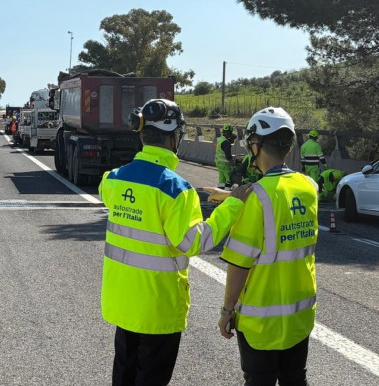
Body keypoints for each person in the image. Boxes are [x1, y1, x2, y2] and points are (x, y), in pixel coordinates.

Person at [100, 99, 248, 386]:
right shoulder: (176, 190)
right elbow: (192, 243)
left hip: (122, 302)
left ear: (142, 134)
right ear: (173, 137)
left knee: (124, 375)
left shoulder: (114, 180)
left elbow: (108, 189)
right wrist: (231, 208)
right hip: (158, 307)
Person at [218, 107, 318, 386]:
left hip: (261, 321)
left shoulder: (257, 197)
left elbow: (239, 264)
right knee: (295, 379)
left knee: (259, 380)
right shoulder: (308, 187)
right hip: (299, 315)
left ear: (255, 145)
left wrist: (227, 311)